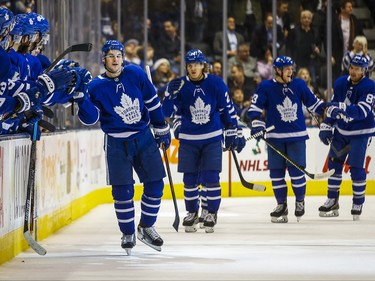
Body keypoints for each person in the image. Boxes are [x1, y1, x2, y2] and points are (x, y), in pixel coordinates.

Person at [76, 40, 171, 255]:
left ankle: (146, 227)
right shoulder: (95, 86)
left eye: (118, 55)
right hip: (116, 141)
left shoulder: (135, 74)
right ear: (104, 59)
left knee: (156, 184)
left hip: (144, 136)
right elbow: (91, 119)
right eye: (111, 55)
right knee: (123, 191)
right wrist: (82, 99)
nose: (115, 59)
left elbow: (153, 101)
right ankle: (128, 232)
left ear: (122, 57)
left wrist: (161, 126)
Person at [162, 49, 245, 233]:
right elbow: (167, 113)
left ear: (203, 65)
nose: (193, 68)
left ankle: (210, 212)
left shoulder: (215, 83)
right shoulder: (180, 85)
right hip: (189, 140)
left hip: (212, 138)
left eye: (196, 65)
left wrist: (233, 130)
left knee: (211, 177)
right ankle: (192, 212)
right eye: (190, 65)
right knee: (189, 179)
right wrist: (168, 96)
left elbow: (227, 110)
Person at [248, 56, 325, 223]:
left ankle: (299, 201)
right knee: (276, 174)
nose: (291, 71)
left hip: (296, 136)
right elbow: (254, 109)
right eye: (287, 68)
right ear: (277, 70)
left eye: (292, 68)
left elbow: (314, 103)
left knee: (297, 172)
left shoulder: (298, 84)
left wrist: (328, 109)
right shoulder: (266, 86)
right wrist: (257, 124)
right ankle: (281, 204)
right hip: (275, 138)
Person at [318, 54, 375, 221]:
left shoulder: (369, 86)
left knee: (356, 168)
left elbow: (362, 111)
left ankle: (358, 202)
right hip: (342, 131)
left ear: (364, 70)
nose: (354, 71)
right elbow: (334, 104)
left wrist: (339, 107)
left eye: (357, 68)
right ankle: (332, 200)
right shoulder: (341, 82)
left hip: (361, 132)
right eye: (352, 67)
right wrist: (327, 123)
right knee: (333, 165)